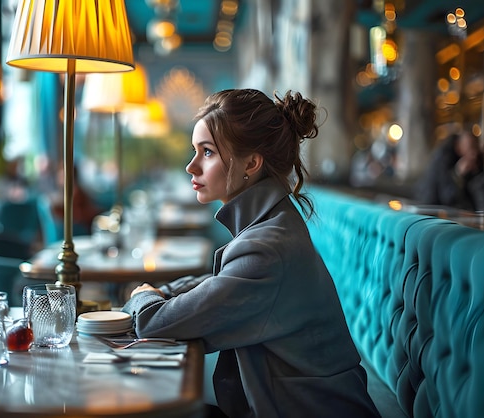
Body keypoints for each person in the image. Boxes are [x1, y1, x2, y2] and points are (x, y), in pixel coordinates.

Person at [121, 89, 381, 418]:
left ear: (252, 163)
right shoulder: (272, 224)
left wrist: (145, 298)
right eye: (194, 151)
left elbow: (154, 324)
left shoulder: (267, 249)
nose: (191, 166)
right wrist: (158, 292)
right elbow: (216, 284)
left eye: (207, 153)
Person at [413, 130, 484, 211]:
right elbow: (447, 196)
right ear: (458, 147)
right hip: (430, 206)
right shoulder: (444, 159)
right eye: (470, 148)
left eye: (475, 148)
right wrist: (458, 173)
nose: (473, 153)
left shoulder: (475, 160)